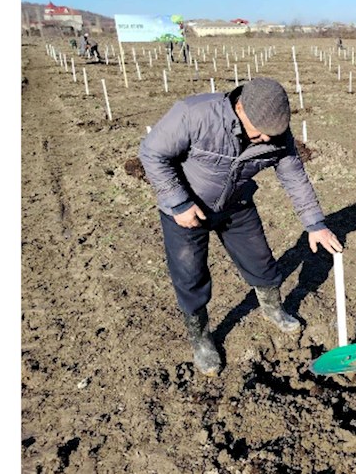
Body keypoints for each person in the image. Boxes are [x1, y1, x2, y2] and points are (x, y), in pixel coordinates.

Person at [138, 78, 343, 377]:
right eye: (258, 130)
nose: (263, 138)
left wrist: (314, 224)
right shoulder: (195, 114)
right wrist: (178, 202)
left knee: (261, 261)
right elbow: (152, 153)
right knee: (190, 274)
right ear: (240, 107)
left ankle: (273, 309)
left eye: (271, 133)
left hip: (236, 205)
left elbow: (294, 177)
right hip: (185, 210)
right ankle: (201, 338)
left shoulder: (275, 134)